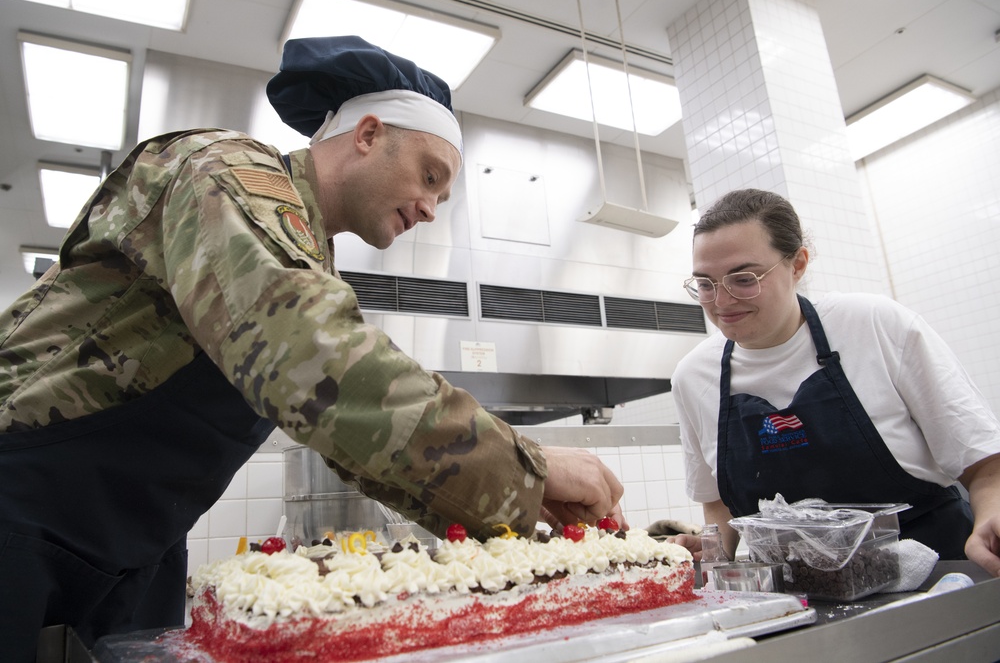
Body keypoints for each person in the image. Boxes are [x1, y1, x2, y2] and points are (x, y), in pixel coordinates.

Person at [0, 36, 624, 659]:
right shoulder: (224, 169)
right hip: (24, 502)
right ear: (368, 134)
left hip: (137, 544)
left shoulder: (310, 257)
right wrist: (527, 463)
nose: (432, 208)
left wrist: (520, 500)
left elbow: (352, 440)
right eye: (430, 177)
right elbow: (305, 350)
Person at [669, 188, 1000, 577]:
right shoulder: (694, 377)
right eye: (705, 284)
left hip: (938, 578)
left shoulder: (874, 324)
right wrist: (707, 551)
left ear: (798, 265)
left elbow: (984, 466)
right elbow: (719, 507)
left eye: (743, 279)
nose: (721, 302)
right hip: (798, 600)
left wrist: (992, 517)